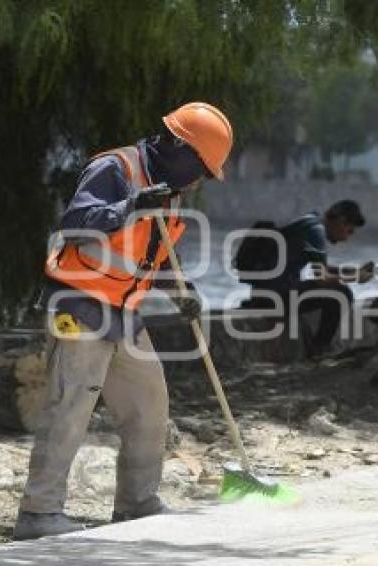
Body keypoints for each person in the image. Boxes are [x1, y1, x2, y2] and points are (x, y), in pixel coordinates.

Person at [13, 102, 233, 541]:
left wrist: (179, 292)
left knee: (149, 402)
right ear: (178, 146)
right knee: (71, 405)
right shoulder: (116, 168)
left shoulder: (168, 191)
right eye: (202, 168)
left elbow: (153, 256)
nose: (201, 179)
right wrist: (132, 204)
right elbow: (76, 222)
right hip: (80, 304)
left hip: (124, 311)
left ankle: (137, 504)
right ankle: (38, 513)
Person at [246, 201, 373, 358]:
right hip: (274, 299)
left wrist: (354, 271)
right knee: (341, 293)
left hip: (263, 296)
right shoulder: (316, 231)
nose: (346, 238)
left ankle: (318, 348)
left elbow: (320, 269)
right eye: (349, 231)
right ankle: (319, 349)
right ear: (341, 221)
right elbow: (322, 278)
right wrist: (356, 277)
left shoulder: (309, 222)